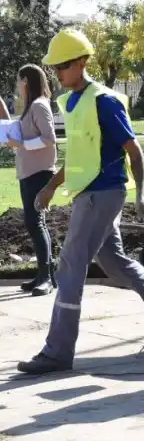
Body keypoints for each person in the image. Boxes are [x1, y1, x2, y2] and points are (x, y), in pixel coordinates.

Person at [17, 29, 144, 375]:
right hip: (87, 192)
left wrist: (142, 193)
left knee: (70, 266)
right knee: (116, 263)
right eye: (55, 67)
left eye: (64, 66)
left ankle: (57, 351)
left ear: (83, 62)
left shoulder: (105, 101)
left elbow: (134, 149)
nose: (58, 73)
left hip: (104, 193)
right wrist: (52, 186)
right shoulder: (72, 103)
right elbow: (82, 156)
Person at [0, 65, 58, 296]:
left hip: (40, 173)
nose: (16, 86)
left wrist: (21, 144)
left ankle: (47, 278)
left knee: (37, 223)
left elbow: (50, 139)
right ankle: (44, 275)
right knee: (33, 224)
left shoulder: (39, 105)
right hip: (28, 172)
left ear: (26, 81)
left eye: (18, 80)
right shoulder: (30, 107)